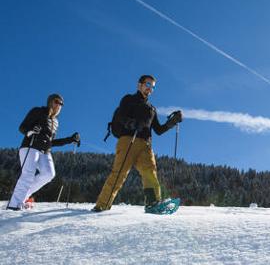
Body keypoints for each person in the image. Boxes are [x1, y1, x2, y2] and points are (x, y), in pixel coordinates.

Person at [92, 75, 182, 212]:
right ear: (139, 85)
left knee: (150, 172)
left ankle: (153, 203)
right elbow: (120, 116)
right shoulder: (129, 99)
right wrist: (132, 123)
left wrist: (172, 122)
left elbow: (158, 130)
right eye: (147, 84)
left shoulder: (152, 109)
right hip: (128, 140)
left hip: (146, 145)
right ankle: (102, 205)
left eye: (152, 87)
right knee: (119, 173)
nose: (150, 89)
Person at [7, 93, 80, 210]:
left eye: (61, 104)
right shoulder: (38, 111)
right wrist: (31, 130)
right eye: (57, 101)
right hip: (30, 146)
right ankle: (14, 204)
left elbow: (52, 142)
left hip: (45, 151)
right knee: (28, 174)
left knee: (49, 174)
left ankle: (23, 197)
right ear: (50, 102)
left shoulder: (55, 122)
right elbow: (22, 127)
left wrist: (70, 139)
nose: (59, 105)